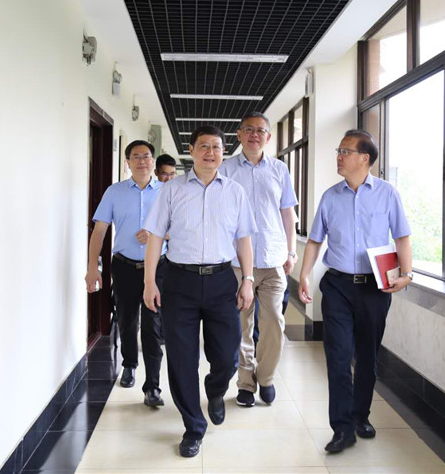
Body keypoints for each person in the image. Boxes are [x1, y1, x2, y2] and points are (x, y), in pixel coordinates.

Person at [142, 125, 257, 458]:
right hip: (180, 282)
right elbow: (155, 238)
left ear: (224, 152)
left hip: (222, 281)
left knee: (228, 354)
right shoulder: (172, 190)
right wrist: (149, 282)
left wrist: (248, 279)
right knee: (182, 359)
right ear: (191, 150)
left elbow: (243, 239)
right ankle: (193, 426)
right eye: (204, 146)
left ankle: (216, 389)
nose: (210, 152)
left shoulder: (235, 192)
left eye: (217, 147)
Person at [298, 129, 413, 454]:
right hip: (337, 286)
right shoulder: (330, 197)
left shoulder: (388, 194)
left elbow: (402, 237)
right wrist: (304, 274)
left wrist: (407, 274)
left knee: (366, 357)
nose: (339, 156)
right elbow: (316, 240)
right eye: (339, 151)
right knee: (337, 357)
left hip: (375, 288)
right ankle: (342, 428)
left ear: (365, 158)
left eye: (345, 151)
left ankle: (361, 415)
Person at [220, 111, 298, 407]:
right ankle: (245, 383)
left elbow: (288, 214)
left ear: (268, 137)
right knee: (241, 326)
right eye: (249, 129)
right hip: (237, 264)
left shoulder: (279, 169)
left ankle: (265, 377)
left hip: (273, 260)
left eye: (260, 130)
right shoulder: (226, 169)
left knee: (274, 323)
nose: (255, 135)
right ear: (239, 135)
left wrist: (291, 251)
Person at [85, 140, 166, 408]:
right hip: (124, 266)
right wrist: (92, 268)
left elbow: (180, 228)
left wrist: (158, 235)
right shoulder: (114, 192)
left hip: (158, 268)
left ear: (153, 161)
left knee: (153, 326)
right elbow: (99, 231)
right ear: (127, 162)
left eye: (146, 156)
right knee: (127, 320)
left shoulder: (167, 192)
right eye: (136, 157)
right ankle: (129, 364)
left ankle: (152, 386)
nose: (142, 161)